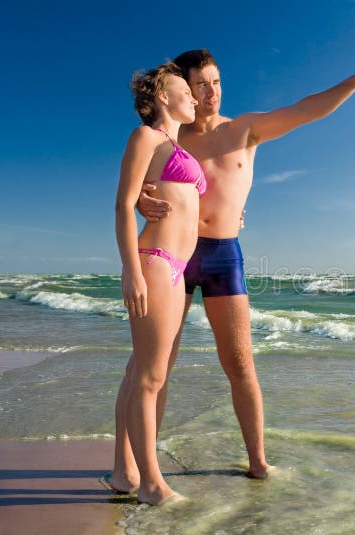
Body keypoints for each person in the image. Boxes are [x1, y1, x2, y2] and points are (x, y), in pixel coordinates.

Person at [117, 49, 355, 482]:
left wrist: (353, 82)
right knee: (154, 367)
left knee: (240, 363)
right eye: (201, 84)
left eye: (216, 81)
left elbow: (304, 111)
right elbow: (137, 183)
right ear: (184, 89)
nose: (210, 92)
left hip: (223, 254)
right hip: (175, 252)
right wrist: (139, 199)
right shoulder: (170, 134)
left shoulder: (243, 129)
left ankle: (258, 461)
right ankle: (133, 464)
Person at [113, 62, 205, 505]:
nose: (193, 96)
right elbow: (122, 206)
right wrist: (131, 270)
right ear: (163, 98)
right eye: (184, 90)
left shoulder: (173, 143)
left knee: (138, 374)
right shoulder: (145, 137)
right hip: (153, 263)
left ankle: (123, 473)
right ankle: (152, 483)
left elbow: (178, 201)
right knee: (151, 377)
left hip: (175, 267)